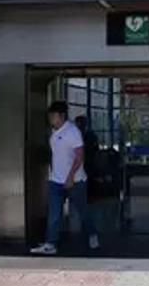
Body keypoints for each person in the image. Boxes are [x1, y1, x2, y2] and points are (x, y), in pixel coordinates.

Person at [30, 101, 99, 255]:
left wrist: (70, 177)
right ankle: (50, 243)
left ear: (61, 116)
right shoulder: (53, 132)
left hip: (75, 181)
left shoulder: (72, 132)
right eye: (50, 117)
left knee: (82, 211)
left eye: (53, 117)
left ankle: (92, 233)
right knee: (54, 214)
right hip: (56, 180)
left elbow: (79, 156)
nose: (51, 120)